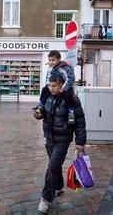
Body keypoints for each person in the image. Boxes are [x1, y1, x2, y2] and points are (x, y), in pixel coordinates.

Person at [33, 75, 86, 213]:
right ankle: (59, 186)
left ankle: (45, 199)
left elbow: (79, 121)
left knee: (52, 166)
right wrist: (39, 114)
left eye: (54, 86)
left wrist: (80, 141)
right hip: (49, 137)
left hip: (63, 139)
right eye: (49, 85)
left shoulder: (71, 99)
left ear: (62, 85)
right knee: (54, 165)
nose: (51, 88)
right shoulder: (48, 96)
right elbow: (43, 112)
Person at [33, 50, 76, 124]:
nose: (51, 62)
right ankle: (40, 106)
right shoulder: (51, 67)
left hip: (64, 86)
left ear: (59, 59)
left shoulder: (64, 67)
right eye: (50, 60)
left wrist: (65, 88)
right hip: (54, 85)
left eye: (53, 60)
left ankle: (71, 112)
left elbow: (70, 78)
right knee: (44, 90)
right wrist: (48, 86)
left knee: (69, 95)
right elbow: (48, 77)